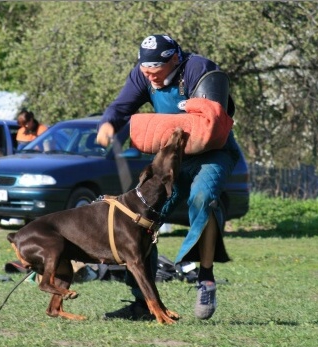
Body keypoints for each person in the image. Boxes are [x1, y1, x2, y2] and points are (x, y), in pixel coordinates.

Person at [96, 34, 241, 320]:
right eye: (144, 69)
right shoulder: (143, 75)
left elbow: (214, 118)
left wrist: (191, 107)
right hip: (172, 154)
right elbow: (120, 106)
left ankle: (206, 279)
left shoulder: (198, 68)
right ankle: (142, 302)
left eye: (155, 70)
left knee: (203, 198)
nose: (149, 76)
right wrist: (107, 124)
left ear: (174, 59)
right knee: (142, 216)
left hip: (213, 152)